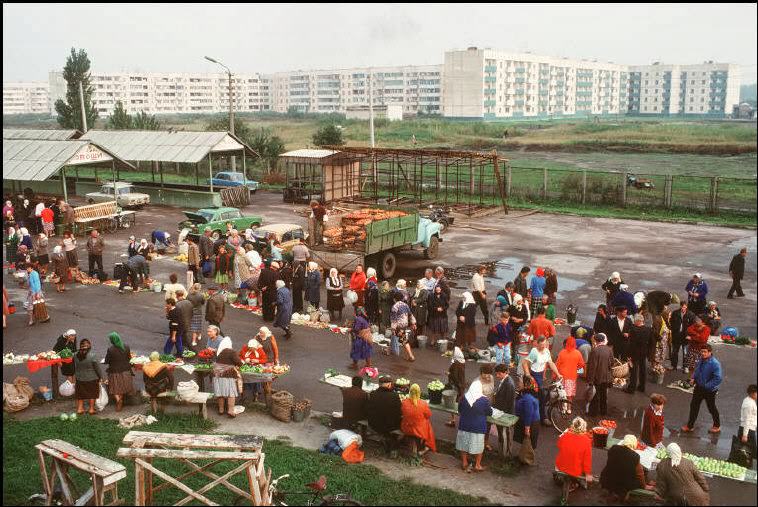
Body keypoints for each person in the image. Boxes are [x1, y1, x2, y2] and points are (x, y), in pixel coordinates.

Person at [681, 344, 722, 434]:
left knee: (711, 408)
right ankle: (690, 426)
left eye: (705, 352)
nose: (703, 353)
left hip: (710, 390)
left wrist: (707, 386)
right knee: (694, 406)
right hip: (699, 387)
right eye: (702, 351)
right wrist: (693, 378)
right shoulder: (701, 360)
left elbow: (718, 378)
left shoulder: (715, 364)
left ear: (710, 352)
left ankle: (717, 425)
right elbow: (697, 370)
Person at [522, 335, 562, 425]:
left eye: (545, 344)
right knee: (541, 397)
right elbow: (525, 363)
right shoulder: (534, 352)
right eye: (542, 345)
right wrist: (528, 375)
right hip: (534, 374)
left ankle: (539, 412)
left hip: (540, 375)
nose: (543, 346)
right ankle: (543, 418)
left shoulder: (547, 351)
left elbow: (551, 363)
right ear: (537, 344)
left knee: (544, 394)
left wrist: (558, 374)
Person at [600, 435, 654, 500]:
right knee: (639, 478)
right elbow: (640, 474)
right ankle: (624, 495)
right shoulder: (635, 456)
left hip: (606, 478)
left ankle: (611, 492)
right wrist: (644, 486)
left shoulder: (613, 448)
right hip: (623, 485)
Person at [456, 380, 493, 472]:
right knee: (479, 446)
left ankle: (464, 463)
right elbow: (490, 412)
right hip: (478, 427)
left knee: (463, 444)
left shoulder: (464, 398)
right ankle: (477, 465)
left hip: (464, 425)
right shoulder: (484, 400)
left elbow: (459, 410)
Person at [366, 376, 402, 454]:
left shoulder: (373, 394)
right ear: (389, 385)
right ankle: (392, 440)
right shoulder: (394, 396)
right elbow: (399, 412)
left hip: (373, 424)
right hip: (389, 426)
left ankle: (387, 438)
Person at [555, 417, 593, 489]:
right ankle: (577, 482)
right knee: (581, 468)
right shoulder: (587, 441)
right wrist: (588, 474)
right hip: (575, 470)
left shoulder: (564, 436)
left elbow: (559, 445)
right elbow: (587, 461)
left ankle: (561, 479)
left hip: (561, 466)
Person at [401, 384, 436, 455]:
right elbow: (428, 415)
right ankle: (426, 447)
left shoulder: (404, 402)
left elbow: (402, 413)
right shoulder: (423, 404)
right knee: (428, 424)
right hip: (419, 430)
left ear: (410, 392)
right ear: (419, 392)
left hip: (406, 428)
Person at [103, 332, 134, 412]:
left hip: (114, 372)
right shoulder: (126, 347)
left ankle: (118, 400)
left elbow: (107, 361)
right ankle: (120, 400)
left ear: (112, 340)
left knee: (114, 388)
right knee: (122, 387)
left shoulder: (110, 349)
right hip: (126, 371)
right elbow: (129, 358)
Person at [213, 336, 242, 418]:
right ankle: (230, 411)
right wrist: (239, 364)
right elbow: (239, 362)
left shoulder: (220, 352)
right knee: (231, 393)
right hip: (228, 375)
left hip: (218, 375)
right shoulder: (231, 352)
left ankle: (221, 410)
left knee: (221, 393)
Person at [74, 338, 104, 415]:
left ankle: (80, 409)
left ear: (81, 346)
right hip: (92, 378)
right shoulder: (92, 355)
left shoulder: (75, 355)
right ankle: (91, 409)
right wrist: (101, 377)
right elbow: (97, 368)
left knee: (80, 394)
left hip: (79, 378)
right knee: (92, 393)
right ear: (89, 346)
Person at [586, 333, 613, 417]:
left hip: (597, 377)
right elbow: (612, 362)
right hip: (606, 377)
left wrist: (590, 380)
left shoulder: (595, 351)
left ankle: (593, 413)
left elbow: (592, 367)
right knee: (604, 395)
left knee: (595, 396)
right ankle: (603, 411)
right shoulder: (609, 349)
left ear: (596, 341)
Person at [626, 313, 651, 393]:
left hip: (634, 353)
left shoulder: (633, 330)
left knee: (634, 370)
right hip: (644, 352)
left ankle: (631, 388)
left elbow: (631, 344)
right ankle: (642, 387)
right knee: (643, 369)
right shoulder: (648, 329)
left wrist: (628, 354)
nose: (634, 322)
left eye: (635, 321)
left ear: (638, 321)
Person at [556, 337, 585, 406]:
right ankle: (569, 408)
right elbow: (581, 365)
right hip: (572, 377)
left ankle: (563, 407)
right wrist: (578, 374)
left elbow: (557, 365)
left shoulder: (562, 352)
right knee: (569, 395)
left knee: (561, 393)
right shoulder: (578, 353)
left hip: (561, 377)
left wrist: (554, 375)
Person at [493, 363, 515, 452]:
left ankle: (505, 452)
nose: (497, 376)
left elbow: (509, 402)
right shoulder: (505, 380)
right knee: (502, 433)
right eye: (496, 373)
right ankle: (502, 450)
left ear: (505, 372)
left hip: (504, 413)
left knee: (505, 434)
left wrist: (503, 416)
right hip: (501, 412)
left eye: (499, 374)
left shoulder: (509, 384)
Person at [670, 301, 696, 372]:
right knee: (675, 352)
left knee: (685, 352)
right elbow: (671, 322)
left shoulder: (691, 314)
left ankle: (685, 366)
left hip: (686, 337)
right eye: (682, 306)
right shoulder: (675, 313)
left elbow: (693, 326)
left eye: (684, 307)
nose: (683, 308)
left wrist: (690, 335)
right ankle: (674, 366)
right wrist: (673, 332)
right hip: (676, 336)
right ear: (680, 306)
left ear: (686, 306)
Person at [390, 291, 416, 362]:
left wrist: (393, 328)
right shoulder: (405, 305)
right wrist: (413, 323)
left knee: (404, 340)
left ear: (394, 299)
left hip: (399, 326)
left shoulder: (395, 306)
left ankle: (411, 356)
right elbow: (410, 314)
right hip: (405, 324)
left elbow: (394, 319)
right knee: (396, 337)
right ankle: (392, 350)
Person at [446, 345, 467, 428]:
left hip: (455, 386)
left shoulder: (455, 364)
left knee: (453, 402)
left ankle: (453, 420)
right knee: (459, 402)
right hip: (461, 385)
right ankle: (458, 420)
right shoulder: (462, 362)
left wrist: (448, 374)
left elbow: (454, 376)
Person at [739, 384, 757, 461]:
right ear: (752, 393)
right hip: (748, 430)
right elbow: (747, 420)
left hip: (748, 429)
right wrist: (745, 435)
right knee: (751, 451)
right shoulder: (749, 404)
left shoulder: (748, 400)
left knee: (746, 451)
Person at [187, 283, 205, 348]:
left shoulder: (189, 295)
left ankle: (196, 338)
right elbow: (203, 302)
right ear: (199, 288)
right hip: (198, 312)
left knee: (194, 326)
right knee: (198, 324)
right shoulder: (201, 295)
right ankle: (195, 339)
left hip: (191, 311)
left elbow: (187, 302)